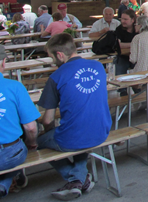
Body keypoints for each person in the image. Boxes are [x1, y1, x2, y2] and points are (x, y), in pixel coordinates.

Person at [38, 33, 111, 200]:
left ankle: (76, 179)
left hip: (76, 136)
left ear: (60, 55)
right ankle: (80, 177)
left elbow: (48, 120)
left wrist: (49, 132)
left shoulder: (56, 77)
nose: (52, 61)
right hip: (102, 130)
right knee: (79, 128)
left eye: (51, 57)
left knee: (40, 141)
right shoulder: (98, 66)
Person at [0, 44, 40, 201]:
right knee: (20, 151)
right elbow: (31, 127)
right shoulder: (14, 86)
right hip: (9, 152)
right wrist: (32, 143)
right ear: (4, 62)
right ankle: (2, 186)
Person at [114, 9, 138, 83]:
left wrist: (126, 45)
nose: (123, 21)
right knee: (119, 73)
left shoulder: (138, 29)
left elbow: (143, 43)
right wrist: (133, 44)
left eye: (125, 19)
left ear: (132, 20)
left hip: (137, 57)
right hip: (123, 57)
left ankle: (139, 88)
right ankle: (122, 88)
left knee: (143, 69)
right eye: (122, 19)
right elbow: (118, 45)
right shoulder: (119, 29)